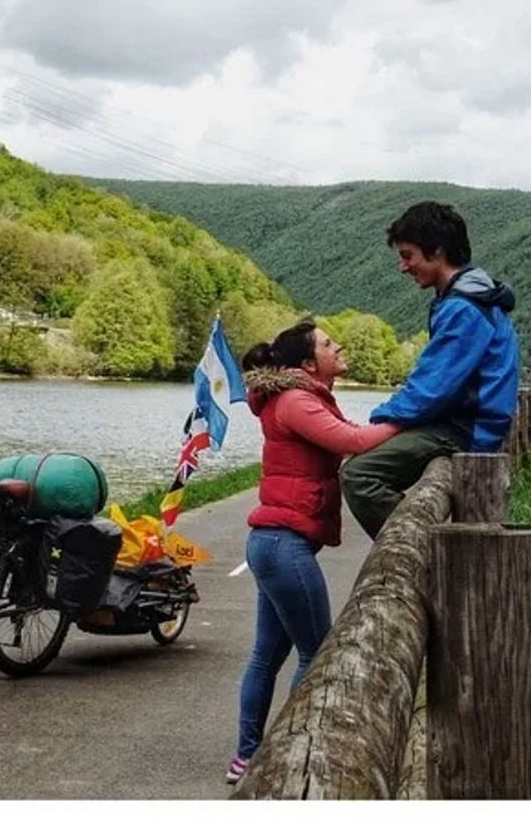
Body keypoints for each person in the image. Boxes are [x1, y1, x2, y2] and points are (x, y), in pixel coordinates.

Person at [227, 320, 401, 784]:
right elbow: (352, 441)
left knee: (267, 655)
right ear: (308, 364)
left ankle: (246, 757)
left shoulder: (303, 398)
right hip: (284, 546)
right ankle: (294, 754)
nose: (337, 345)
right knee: (317, 654)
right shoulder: (298, 401)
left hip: (272, 542)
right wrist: (408, 417)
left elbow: (351, 432)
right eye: (327, 343)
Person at [340, 201, 519, 540]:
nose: (403, 266)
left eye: (408, 255)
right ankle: (427, 546)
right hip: (471, 424)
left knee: (359, 475)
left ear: (437, 252)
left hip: (463, 429)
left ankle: (423, 554)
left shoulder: (462, 307)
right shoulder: (471, 296)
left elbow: (431, 388)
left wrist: (378, 421)